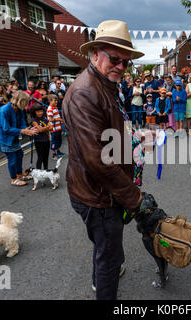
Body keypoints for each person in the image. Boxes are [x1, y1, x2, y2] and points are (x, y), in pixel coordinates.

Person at [62, 20, 144, 300]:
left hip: (102, 192)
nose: (121, 66)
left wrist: (131, 140)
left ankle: (101, 277)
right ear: (95, 53)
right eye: (115, 58)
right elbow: (98, 160)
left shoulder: (105, 83)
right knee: (109, 255)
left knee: (105, 247)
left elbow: (107, 133)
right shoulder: (86, 92)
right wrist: (134, 196)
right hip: (99, 195)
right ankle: (104, 282)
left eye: (126, 62)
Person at [0, 91, 38, 186]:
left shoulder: (19, 109)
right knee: (12, 159)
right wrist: (23, 131)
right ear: (21, 101)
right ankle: (14, 179)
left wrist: (27, 129)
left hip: (13, 136)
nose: (27, 105)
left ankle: (19, 175)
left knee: (19, 155)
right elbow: (6, 129)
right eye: (26, 102)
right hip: (4, 137)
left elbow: (22, 123)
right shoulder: (4, 110)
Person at [30, 103, 52, 170]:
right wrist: (47, 127)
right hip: (39, 141)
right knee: (40, 157)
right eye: (38, 111)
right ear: (34, 112)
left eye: (41, 111)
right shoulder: (33, 120)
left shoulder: (44, 118)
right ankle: (38, 173)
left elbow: (51, 128)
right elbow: (40, 130)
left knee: (46, 157)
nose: (40, 113)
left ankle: (46, 171)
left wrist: (45, 128)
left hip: (47, 140)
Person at [46, 94, 64, 160]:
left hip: (58, 128)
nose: (56, 102)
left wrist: (61, 120)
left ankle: (58, 152)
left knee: (59, 140)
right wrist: (59, 119)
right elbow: (50, 119)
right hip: (53, 129)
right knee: (54, 141)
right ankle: (54, 154)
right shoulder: (50, 109)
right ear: (50, 101)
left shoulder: (55, 108)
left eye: (57, 100)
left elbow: (57, 116)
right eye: (55, 100)